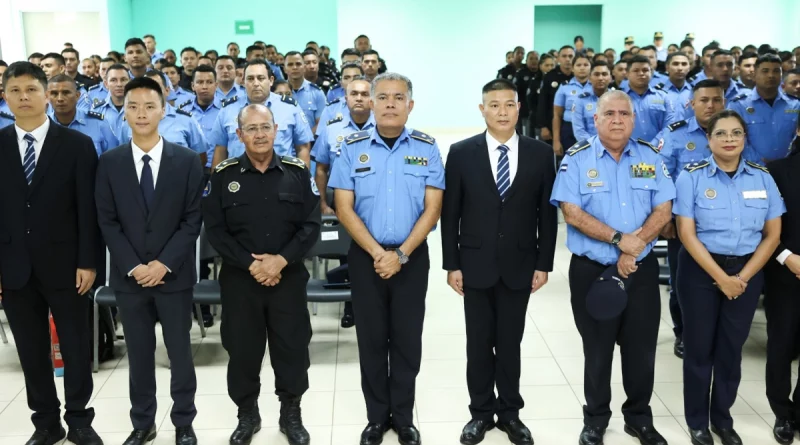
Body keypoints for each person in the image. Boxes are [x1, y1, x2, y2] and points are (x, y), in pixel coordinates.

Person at [550, 90, 675, 445]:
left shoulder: (650, 157)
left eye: (624, 113)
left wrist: (633, 248)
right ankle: (596, 419)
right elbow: (571, 212)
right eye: (610, 114)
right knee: (598, 349)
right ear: (596, 119)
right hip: (592, 271)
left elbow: (663, 209)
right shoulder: (576, 159)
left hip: (641, 271)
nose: (617, 119)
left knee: (641, 349)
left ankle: (639, 417)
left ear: (633, 119)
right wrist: (622, 241)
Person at [329, 72, 445, 445]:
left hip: (411, 258)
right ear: (372, 103)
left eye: (399, 97)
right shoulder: (352, 147)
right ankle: (376, 418)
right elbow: (343, 208)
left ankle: (405, 417)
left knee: (408, 341)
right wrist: (380, 254)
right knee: (373, 340)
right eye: (384, 97)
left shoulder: (426, 148)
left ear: (410, 105)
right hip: (367, 258)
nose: (391, 103)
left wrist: (402, 254)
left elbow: (433, 208)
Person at [441, 78, 557, 445]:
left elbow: (547, 216)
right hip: (474, 264)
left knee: (510, 343)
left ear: (519, 108)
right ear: (482, 110)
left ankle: (510, 413)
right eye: (494, 105)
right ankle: (479, 413)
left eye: (509, 105)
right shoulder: (461, 153)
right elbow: (450, 214)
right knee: (478, 344)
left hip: (520, 264)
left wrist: (544, 263)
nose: (502, 112)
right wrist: (451, 264)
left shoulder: (540, 154)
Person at [94, 76, 203, 445]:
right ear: (123, 112)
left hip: (174, 277)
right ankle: (143, 423)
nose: (141, 113)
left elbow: (192, 220)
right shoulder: (109, 163)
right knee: (139, 357)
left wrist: (163, 263)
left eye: (149, 106)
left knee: (180, 354)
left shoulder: (186, 161)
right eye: (133, 106)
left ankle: (184, 422)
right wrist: (133, 266)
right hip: (130, 278)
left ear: (163, 110)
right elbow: (107, 221)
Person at [203, 103, 319, 445]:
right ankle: (247, 415)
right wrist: (252, 264)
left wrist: (280, 261)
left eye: (265, 127)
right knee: (242, 349)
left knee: (292, 347)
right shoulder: (224, 175)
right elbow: (215, 230)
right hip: (241, 280)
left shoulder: (297, 172)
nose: (259, 134)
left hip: (288, 277)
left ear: (276, 130)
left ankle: (291, 413)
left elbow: (310, 226)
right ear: (239, 135)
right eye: (251, 129)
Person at [0, 61, 102, 445]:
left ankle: (78, 419)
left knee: (76, 348)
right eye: (14, 91)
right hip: (14, 268)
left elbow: (88, 209)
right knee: (32, 352)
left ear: (46, 94)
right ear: (5, 96)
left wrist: (88, 261)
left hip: (68, 266)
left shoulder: (76, 145)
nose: (23, 97)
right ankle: (45, 424)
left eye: (30, 89)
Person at [673, 109, 784, 445]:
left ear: (744, 138)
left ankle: (722, 419)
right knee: (699, 350)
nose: (729, 140)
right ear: (708, 140)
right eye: (721, 134)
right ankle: (697, 422)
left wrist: (742, 277)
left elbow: (773, 234)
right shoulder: (691, 177)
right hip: (700, 270)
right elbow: (686, 234)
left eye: (736, 133)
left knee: (730, 351)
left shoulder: (762, 177)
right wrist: (721, 277)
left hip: (747, 272)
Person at [311, 76, 375, 329]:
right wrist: (324, 204)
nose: (358, 98)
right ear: (345, 98)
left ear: (372, 99)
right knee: (346, 258)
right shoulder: (332, 127)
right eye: (353, 93)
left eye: (363, 93)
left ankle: (371, 306)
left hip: (372, 206)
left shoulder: (383, 125)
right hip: (341, 205)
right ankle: (351, 307)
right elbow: (321, 168)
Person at [764, 118, 800, 445]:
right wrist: (788, 257)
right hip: (786, 269)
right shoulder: (774, 171)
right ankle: (781, 412)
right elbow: (763, 226)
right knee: (781, 343)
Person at [209, 60, 313, 168]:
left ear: (271, 80)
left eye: (261, 78)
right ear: (243, 82)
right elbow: (220, 150)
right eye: (250, 79)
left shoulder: (290, 107)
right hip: (238, 179)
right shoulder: (228, 109)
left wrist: (302, 180)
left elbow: (303, 148)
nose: (256, 83)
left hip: (282, 177)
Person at [116, 70, 209, 165]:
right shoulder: (129, 121)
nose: (149, 93)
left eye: (156, 88)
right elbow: (123, 155)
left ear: (167, 91)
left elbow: (200, 157)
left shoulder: (186, 120)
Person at [729, 54, 800, 162]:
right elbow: (733, 140)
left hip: (789, 170)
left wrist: (786, 163)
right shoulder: (738, 106)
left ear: (782, 75)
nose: (771, 75)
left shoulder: (795, 105)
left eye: (776, 71)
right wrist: (760, 162)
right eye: (765, 71)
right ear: (754, 75)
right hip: (752, 170)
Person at [47, 74, 119, 156]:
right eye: (54, 93)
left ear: (77, 96)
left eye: (66, 93)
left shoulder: (99, 124)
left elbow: (113, 160)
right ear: (47, 97)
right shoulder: (44, 125)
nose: (60, 99)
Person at [623, 55, 677, 145]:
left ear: (651, 72)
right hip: (626, 151)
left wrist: (654, 144)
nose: (641, 73)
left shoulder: (663, 97)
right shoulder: (618, 99)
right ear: (627, 74)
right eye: (636, 70)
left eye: (645, 70)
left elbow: (669, 126)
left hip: (658, 150)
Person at [553, 54, 591, 156]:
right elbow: (557, 115)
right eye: (578, 65)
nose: (582, 67)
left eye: (586, 65)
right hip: (569, 130)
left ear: (591, 68)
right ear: (573, 69)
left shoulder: (596, 87)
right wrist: (556, 140)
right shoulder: (564, 87)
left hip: (591, 129)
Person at [537, 45, 575, 145]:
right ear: (558, 58)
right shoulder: (549, 76)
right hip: (551, 123)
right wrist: (543, 126)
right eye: (564, 56)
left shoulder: (579, 77)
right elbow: (542, 102)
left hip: (573, 126)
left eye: (571, 56)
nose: (567, 59)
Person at [285, 51, 327, 133]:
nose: (294, 67)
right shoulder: (277, 92)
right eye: (290, 64)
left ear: (304, 67)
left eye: (298, 64)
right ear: (284, 68)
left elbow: (322, 123)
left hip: (311, 142)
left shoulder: (317, 92)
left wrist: (305, 140)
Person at [572, 61, 612, 141]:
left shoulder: (618, 99)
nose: (600, 78)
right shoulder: (580, 100)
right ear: (589, 78)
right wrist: (595, 146)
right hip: (589, 147)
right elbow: (579, 130)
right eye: (596, 74)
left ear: (610, 78)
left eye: (604, 74)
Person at [91, 64, 130, 136]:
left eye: (123, 80)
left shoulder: (139, 108)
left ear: (130, 82)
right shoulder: (96, 109)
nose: (119, 84)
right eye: (113, 80)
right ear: (106, 84)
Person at [513, 51, 539, 136]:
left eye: (536, 59)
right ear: (526, 60)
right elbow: (514, 92)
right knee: (524, 136)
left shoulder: (541, 74)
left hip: (538, 113)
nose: (534, 61)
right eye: (531, 58)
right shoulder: (521, 73)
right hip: (524, 112)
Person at [662, 52, 693, 120]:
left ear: (689, 68)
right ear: (667, 67)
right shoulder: (657, 92)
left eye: (684, 64)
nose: (680, 68)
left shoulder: (695, 92)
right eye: (675, 64)